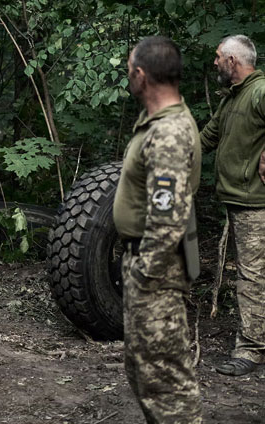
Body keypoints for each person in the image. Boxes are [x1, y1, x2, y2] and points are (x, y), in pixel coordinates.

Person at [113, 36, 202, 423]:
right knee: (146, 373)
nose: (128, 77)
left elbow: (168, 218)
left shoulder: (167, 133)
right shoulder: (159, 124)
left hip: (156, 275)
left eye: (129, 70)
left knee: (167, 385)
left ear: (141, 75)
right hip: (149, 270)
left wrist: (144, 273)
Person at [200, 34, 265, 376]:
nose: (214, 62)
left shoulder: (260, 90)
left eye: (218, 56)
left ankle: (251, 351)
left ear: (233, 61)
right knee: (253, 274)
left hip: (257, 203)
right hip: (239, 199)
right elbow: (208, 137)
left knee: (251, 277)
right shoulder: (234, 98)